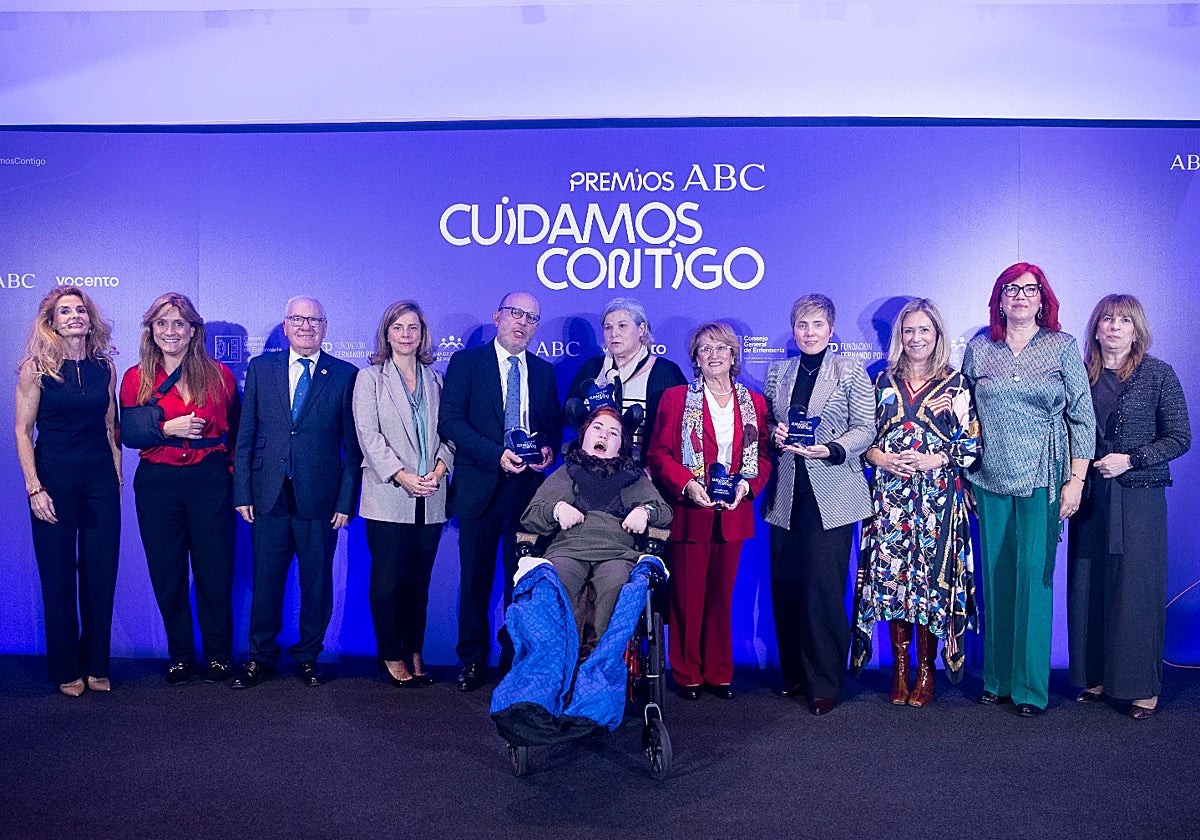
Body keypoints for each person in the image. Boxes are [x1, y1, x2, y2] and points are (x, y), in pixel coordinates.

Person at [962, 262, 1094, 717]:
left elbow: (1082, 418)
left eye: (1030, 289)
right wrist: (963, 475)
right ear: (999, 300)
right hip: (988, 476)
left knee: (1034, 580)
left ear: (1043, 299)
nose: (1020, 296)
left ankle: (1030, 688)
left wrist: (1076, 481)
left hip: (1044, 477)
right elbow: (963, 416)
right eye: (1011, 289)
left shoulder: (1062, 346)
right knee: (996, 578)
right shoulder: (980, 348)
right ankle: (997, 679)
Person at [852, 299, 980, 706]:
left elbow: (972, 444)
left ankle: (926, 672)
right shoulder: (881, 381)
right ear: (899, 336)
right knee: (892, 583)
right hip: (889, 498)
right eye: (909, 331)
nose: (916, 338)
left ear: (937, 334)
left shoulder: (956, 384)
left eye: (924, 330)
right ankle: (899, 670)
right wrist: (880, 458)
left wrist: (935, 459)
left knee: (927, 584)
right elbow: (861, 438)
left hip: (937, 500)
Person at [1068, 294, 1190, 719]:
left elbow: (1180, 437)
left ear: (1137, 329)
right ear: (1096, 327)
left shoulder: (1158, 374)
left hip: (1138, 497)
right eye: (1107, 319)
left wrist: (1132, 459)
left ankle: (1142, 688)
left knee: (1135, 589)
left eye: (1124, 320)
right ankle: (1096, 678)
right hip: (1089, 496)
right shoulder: (1080, 374)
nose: (1115, 327)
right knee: (1088, 584)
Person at [231, 296, 362, 689]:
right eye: (298, 319)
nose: (306, 326)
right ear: (285, 326)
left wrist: (345, 500)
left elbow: (353, 447)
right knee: (266, 580)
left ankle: (308, 656)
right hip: (267, 493)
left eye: (314, 320)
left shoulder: (345, 374)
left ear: (325, 327)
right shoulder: (261, 368)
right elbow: (245, 436)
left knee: (316, 583)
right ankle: (260, 657)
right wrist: (242, 492)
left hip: (320, 498)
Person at [438, 291, 563, 692]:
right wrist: (497, 455)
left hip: (527, 494)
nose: (522, 322)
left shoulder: (543, 372)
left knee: (521, 584)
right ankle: (473, 660)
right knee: (474, 581)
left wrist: (547, 450)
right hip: (479, 487)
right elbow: (451, 422)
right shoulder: (467, 363)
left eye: (531, 317)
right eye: (515, 313)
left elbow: (551, 427)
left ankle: (515, 659)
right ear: (497, 317)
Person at [761, 294, 874, 716]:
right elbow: (768, 421)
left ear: (831, 329)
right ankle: (795, 674)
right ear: (794, 329)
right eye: (802, 325)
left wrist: (831, 448)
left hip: (833, 491)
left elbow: (866, 428)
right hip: (787, 492)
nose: (809, 333)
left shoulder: (850, 370)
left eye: (818, 324)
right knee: (786, 585)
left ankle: (824, 682)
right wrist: (775, 433)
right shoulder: (779, 372)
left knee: (822, 589)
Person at [119, 293, 240, 686]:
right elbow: (128, 433)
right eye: (162, 323)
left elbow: (237, 434)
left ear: (192, 330)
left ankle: (219, 656)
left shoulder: (220, 375)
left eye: (178, 323)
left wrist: (232, 479)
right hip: (158, 483)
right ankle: (181, 657)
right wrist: (165, 428)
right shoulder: (135, 377)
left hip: (209, 479)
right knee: (167, 572)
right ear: (151, 330)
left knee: (215, 572)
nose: (170, 331)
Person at [647, 322, 771, 701]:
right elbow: (659, 454)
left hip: (733, 513)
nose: (713, 355)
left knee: (720, 597)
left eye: (721, 348)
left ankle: (718, 672)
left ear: (734, 355)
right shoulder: (675, 399)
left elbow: (763, 457)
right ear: (696, 358)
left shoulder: (755, 403)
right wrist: (688, 484)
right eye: (705, 349)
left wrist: (746, 487)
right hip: (690, 512)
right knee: (687, 597)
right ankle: (687, 673)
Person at [15, 288, 122, 696]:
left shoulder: (105, 368)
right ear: (52, 322)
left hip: (99, 482)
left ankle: (97, 665)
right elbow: (23, 431)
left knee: (100, 573)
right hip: (53, 480)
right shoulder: (36, 369)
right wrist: (34, 487)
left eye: (80, 310)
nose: (74, 315)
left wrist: (116, 480)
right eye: (65, 311)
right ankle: (66, 668)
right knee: (58, 575)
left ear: (90, 320)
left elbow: (111, 426)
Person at [353, 300, 454, 687]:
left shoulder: (437, 380)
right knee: (386, 584)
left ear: (423, 334)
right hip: (388, 495)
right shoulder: (370, 379)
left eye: (413, 327)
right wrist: (402, 475)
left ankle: (414, 650)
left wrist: (440, 470)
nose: (406, 334)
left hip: (431, 496)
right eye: (398, 327)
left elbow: (450, 433)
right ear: (386, 333)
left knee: (418, 584)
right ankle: (390, 654)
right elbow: (369, 436)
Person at [521, 405, 673, 653]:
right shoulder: (567, 473)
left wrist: (645, 512)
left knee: (616, 584)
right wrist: (556, 510)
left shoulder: (632, 477)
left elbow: (664, 512)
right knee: (555, 582)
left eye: (613, 433)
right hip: (568, 550)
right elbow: (530, 516)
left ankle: (598, 658)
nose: (604, 435)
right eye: (598, 428)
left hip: (617, 553)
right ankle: (557, 655)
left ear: (621, 445)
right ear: (584, 435)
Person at [566, 297, 686, 463]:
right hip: (591, 469)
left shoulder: (666, 372)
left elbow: (679, 431)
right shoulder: (591, 368)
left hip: (645, 472)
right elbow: (570, 419)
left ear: (641, 329)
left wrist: (652, 469)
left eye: (622, 326)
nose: (614, 333)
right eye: (608, 327)